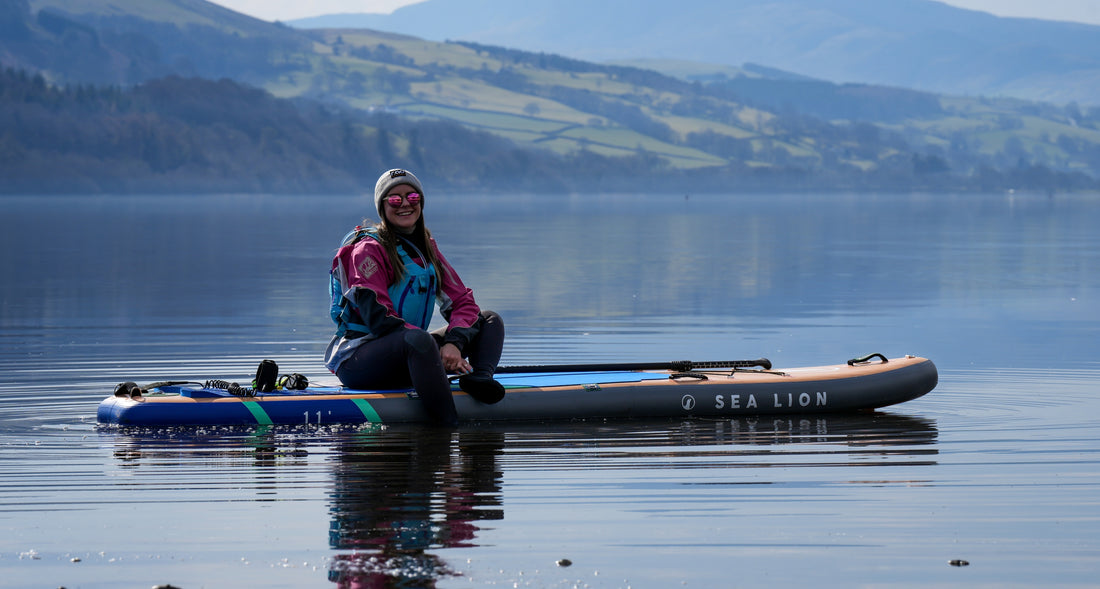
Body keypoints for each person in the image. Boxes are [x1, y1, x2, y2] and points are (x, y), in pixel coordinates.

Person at [325, 168, 506, 426]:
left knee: (488, 320)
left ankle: (478, 379)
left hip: (414, 351)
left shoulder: (425, 247)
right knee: (418, 341)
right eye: (395, 199)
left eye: (412, 197)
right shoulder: (366, 251)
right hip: (360, 360)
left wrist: (453, 342)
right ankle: (448, 425)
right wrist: (432, 349)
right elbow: (379, 319)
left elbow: (463, 302)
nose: (405, 204)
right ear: (382, 206)